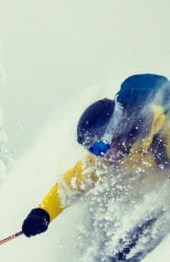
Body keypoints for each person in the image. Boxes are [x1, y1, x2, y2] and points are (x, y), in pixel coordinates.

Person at [21, 73, 170, 237]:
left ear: (116, 130)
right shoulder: (110, 160)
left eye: (100, 147)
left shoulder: (162, 136)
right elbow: (71, 184)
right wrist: (43, 213)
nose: (101, 155)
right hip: (138, 211)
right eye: (92, 150)